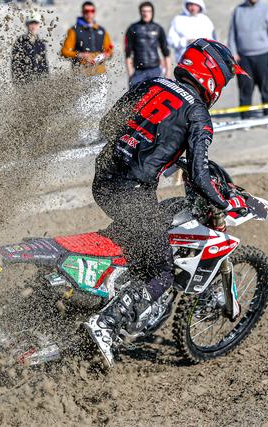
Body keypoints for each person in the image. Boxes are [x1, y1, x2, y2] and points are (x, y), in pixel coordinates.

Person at [84, 39, 250, 367]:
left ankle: (105, 290)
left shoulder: (152, 83)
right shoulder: (198, 115)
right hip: (132, 192)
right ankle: (106, 323)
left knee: (145, 232)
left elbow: (107, 126)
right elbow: (200, 175)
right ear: (213, 77)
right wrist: (224, 202)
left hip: (102, 180)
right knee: (161, 273)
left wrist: (148, 143)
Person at [61, 1, 114, 144]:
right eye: (86, 11)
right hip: (81, 75)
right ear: (82, 13)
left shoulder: (101, 30)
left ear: (94, 12)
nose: (89, 14)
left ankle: (94, 136)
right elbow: (65, 51)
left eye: (91, 11)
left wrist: (104, 55)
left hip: (100, 73)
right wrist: (80, 55)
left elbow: (109, 49)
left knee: (98, 106)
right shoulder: (74, 30)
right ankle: (83, 139)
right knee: (82, 107)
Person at [228, 0, 268, 118]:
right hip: (243, 58)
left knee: (266, 88)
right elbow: (232, 34)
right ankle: (245, 118)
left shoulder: (267, 9)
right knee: (245, 89)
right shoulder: (238, 10)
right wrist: (233, 53)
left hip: (264, 55)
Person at [124, 1, 171, 87]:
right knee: (135, 94)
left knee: (157, 94)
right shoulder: (133, 28)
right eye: (144, 11)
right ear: (140, 12)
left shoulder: (158, 28)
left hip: (155, 70)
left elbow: (166, 51)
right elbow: (128, 53)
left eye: (149, 11)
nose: (146, 14)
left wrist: (167, 73)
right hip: (138, 72)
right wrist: (130, 74)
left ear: (152, 12)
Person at [11, 12, 49, 85]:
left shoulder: (41, 44)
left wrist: (46, 81)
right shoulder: (20, 41)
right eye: (31, 23)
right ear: (27, 25)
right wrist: (18, 82)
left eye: (36, 23)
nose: (33, 26)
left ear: (39, 25)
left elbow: (44, 64)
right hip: (24, 82)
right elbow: (15, 64)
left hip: (39, 82)